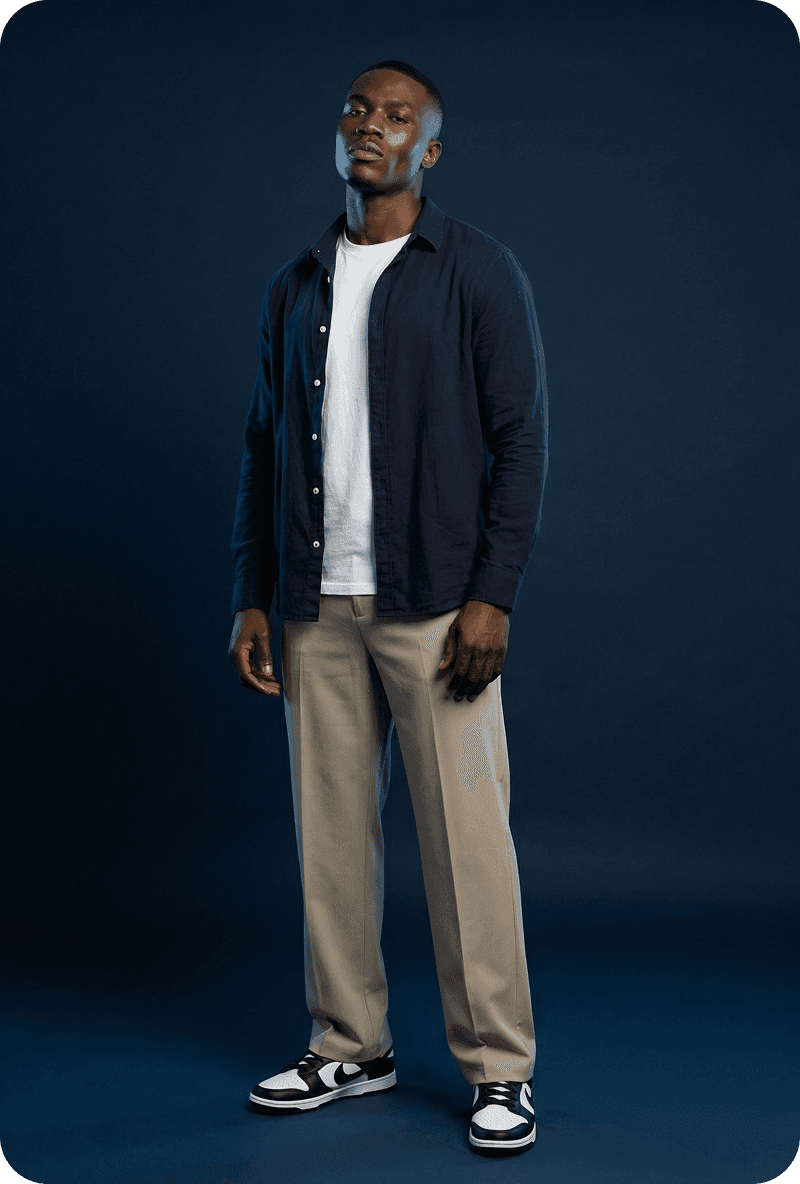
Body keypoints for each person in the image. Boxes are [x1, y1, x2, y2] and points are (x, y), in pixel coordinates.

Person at [228, 58, 548, 1154]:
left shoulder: (475, 271)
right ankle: (349, 1043)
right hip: (313, 604)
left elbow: (520, 442)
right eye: (358, 109)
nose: (371, 126)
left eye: (397, 115)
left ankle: (498, 1067)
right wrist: (253, 594)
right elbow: (263, 447)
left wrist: (490, 596)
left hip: (432, 605)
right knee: (330, 840)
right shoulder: (296, 281)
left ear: (430, 150)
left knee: (466, 846)